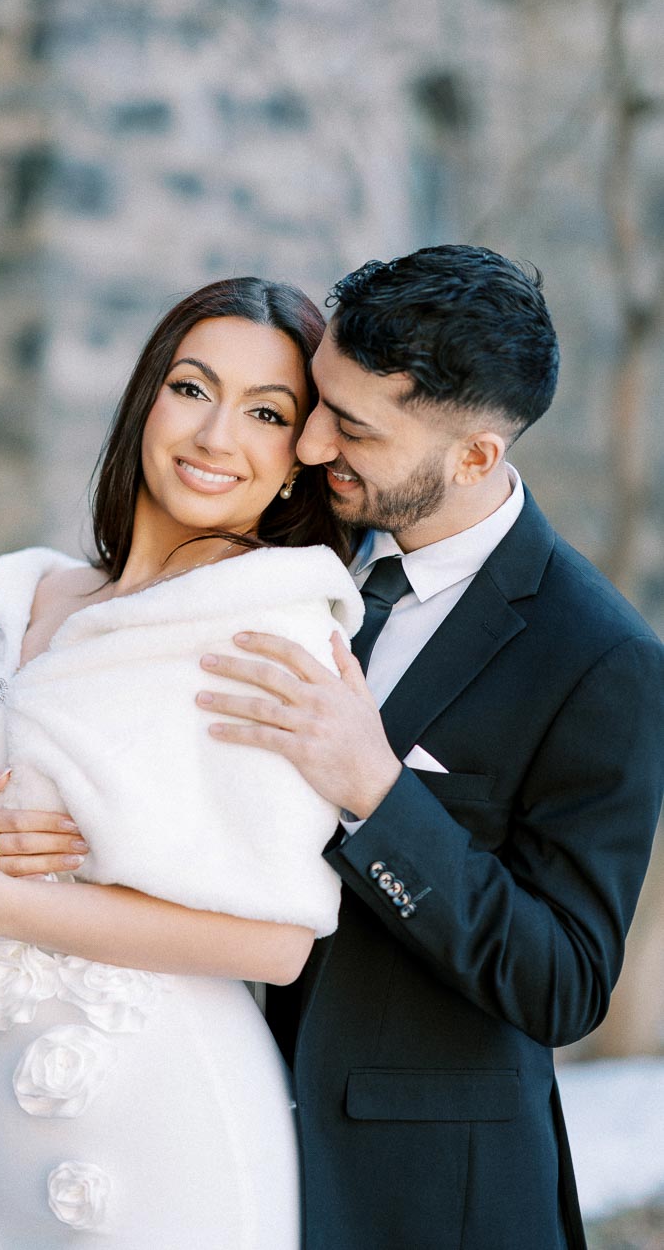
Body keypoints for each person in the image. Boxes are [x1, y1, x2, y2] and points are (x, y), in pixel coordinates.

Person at [0, 277, 364, 1250]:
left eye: (267, 412)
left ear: (300, 459)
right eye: (192, 388)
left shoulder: (265, 627)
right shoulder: (38, 594)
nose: (217, 435)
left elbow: (277, 941)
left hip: (154, 1113)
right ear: (147, 400)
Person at [194, 245, 664, 1250]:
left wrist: (377, 793)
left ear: (475, 459)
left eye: (354, 427)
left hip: (427, 1201)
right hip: (215, 1142)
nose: (313, 445)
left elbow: (564, 982)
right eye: (317, 404)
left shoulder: (601, 660)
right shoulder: (286, 546)